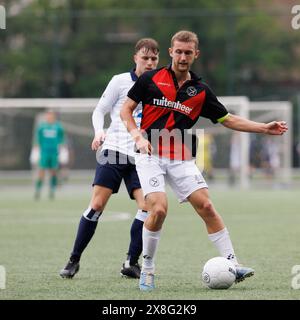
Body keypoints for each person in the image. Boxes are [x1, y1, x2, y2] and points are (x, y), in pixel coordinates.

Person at [120, 30, 288, 291]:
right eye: (179, 51)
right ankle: (148, 268)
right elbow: (126, 110)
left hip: (180, 154)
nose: (183, 57)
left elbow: (228, 119)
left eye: (188, 52)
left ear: (196, 54)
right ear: (171, 52)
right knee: (159, 209)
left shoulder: (200, 91)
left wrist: (264, 128)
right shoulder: (150, 79)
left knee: (207, 206)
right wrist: (137, 136)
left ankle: (233, 263)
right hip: (149, 153)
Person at [59, 38, 159, 279]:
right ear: (135, 58)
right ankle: (74, 259)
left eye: (153, 59)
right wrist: (99, 131)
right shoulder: (120, 81)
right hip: (113, 150)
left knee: (147, 207)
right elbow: (99, 110)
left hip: (140, 156)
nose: (149, 62)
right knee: (97, 206)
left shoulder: (159, 85)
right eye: (145, 57)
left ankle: (130, 262)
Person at [32, 110, 65, 200]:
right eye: (48, 115)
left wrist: (62, 147)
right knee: (41, 171)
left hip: (54, 153)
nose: (49, 117)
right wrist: (36, 147)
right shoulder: (42, 127)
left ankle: (52, 191)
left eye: (51, 115)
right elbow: (37, 139)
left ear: (54, 116)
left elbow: (62, 138)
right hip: (44, 152)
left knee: (53, 172)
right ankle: (38, 191)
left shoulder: (58, 127)